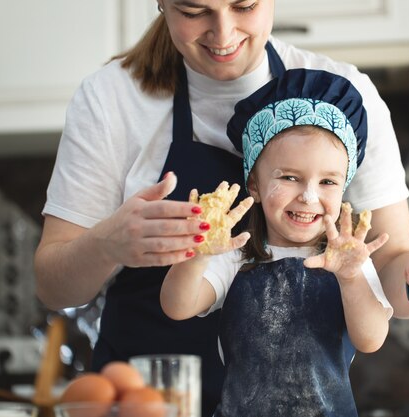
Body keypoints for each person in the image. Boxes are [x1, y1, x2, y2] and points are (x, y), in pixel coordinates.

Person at [34, 1, 409, 415]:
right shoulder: (112, 99)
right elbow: (54, 288)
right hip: (148, 400)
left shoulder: (343, 99)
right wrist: (108, 244)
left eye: (244, 5)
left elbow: (391, 262)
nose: (224, 33)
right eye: (194, 10)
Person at [161, 68, 392, 417]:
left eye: (328, 182)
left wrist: (350, 277)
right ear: (254, 184)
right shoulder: (236, 252)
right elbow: (178, 307)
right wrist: (197, 255)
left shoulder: (349, 259)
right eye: (289, 177)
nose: (309, 197)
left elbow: (371, 339)